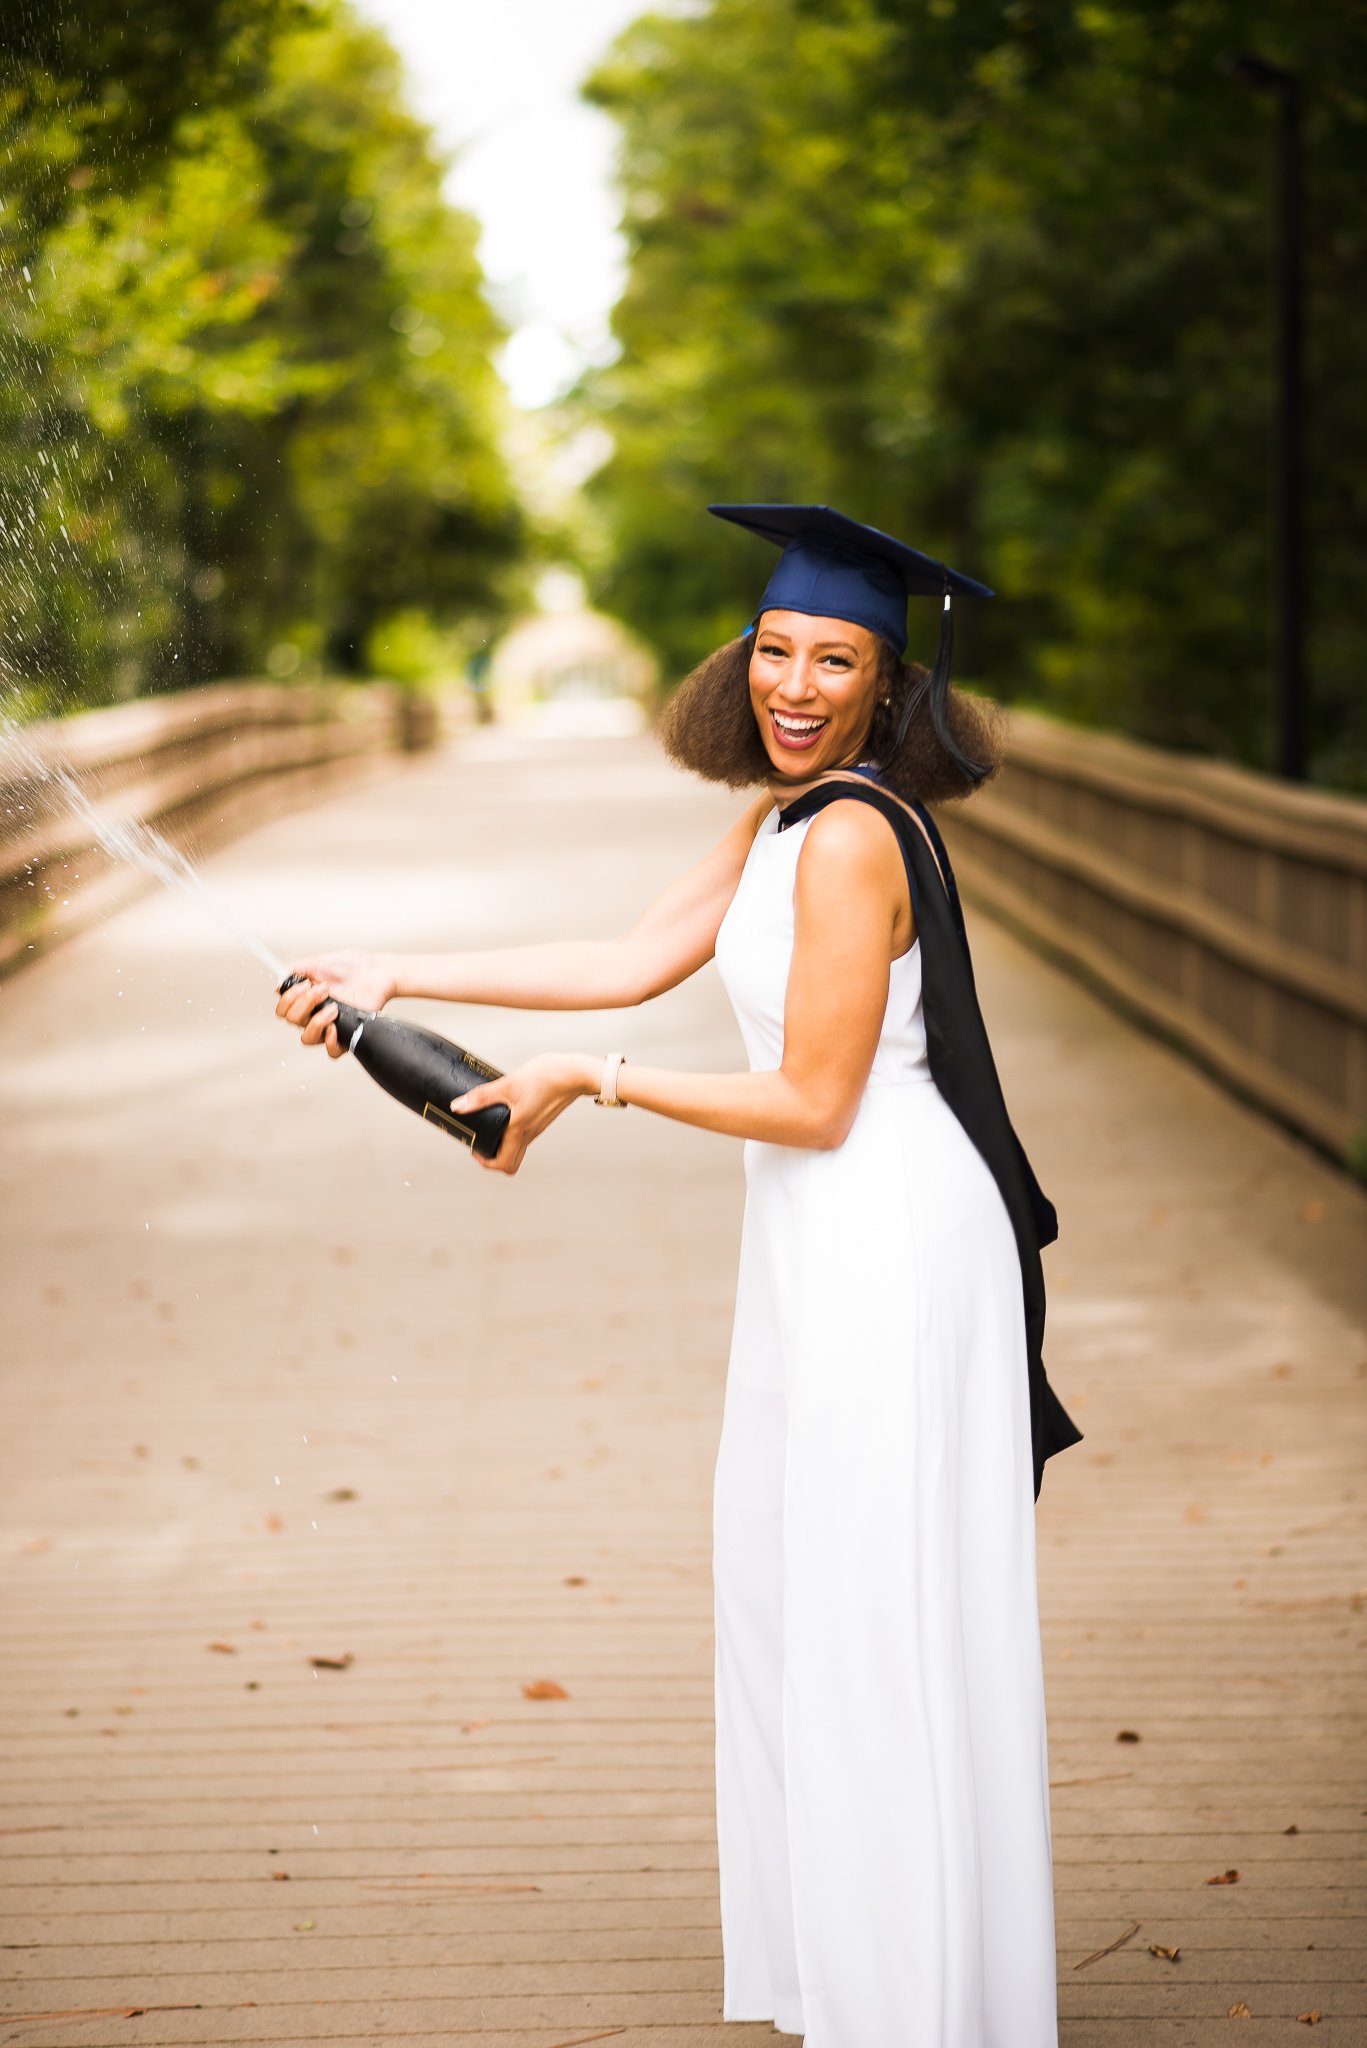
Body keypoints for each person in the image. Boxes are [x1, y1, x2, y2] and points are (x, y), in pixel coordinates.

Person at [275, 502, 1077, 2048]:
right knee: (800, 1589)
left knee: (872, 1607)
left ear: (890, 685)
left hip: (891, 1237)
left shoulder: (855, 838)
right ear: (740, 659)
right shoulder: (788, 819)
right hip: (821, 1237)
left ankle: (915, 1999)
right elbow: (630, 957)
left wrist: (593, 1080)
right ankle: (861, 1975)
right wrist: (394, 974)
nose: (793, 685)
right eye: (774, 650)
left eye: (834, 660)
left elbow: (817, 1100)